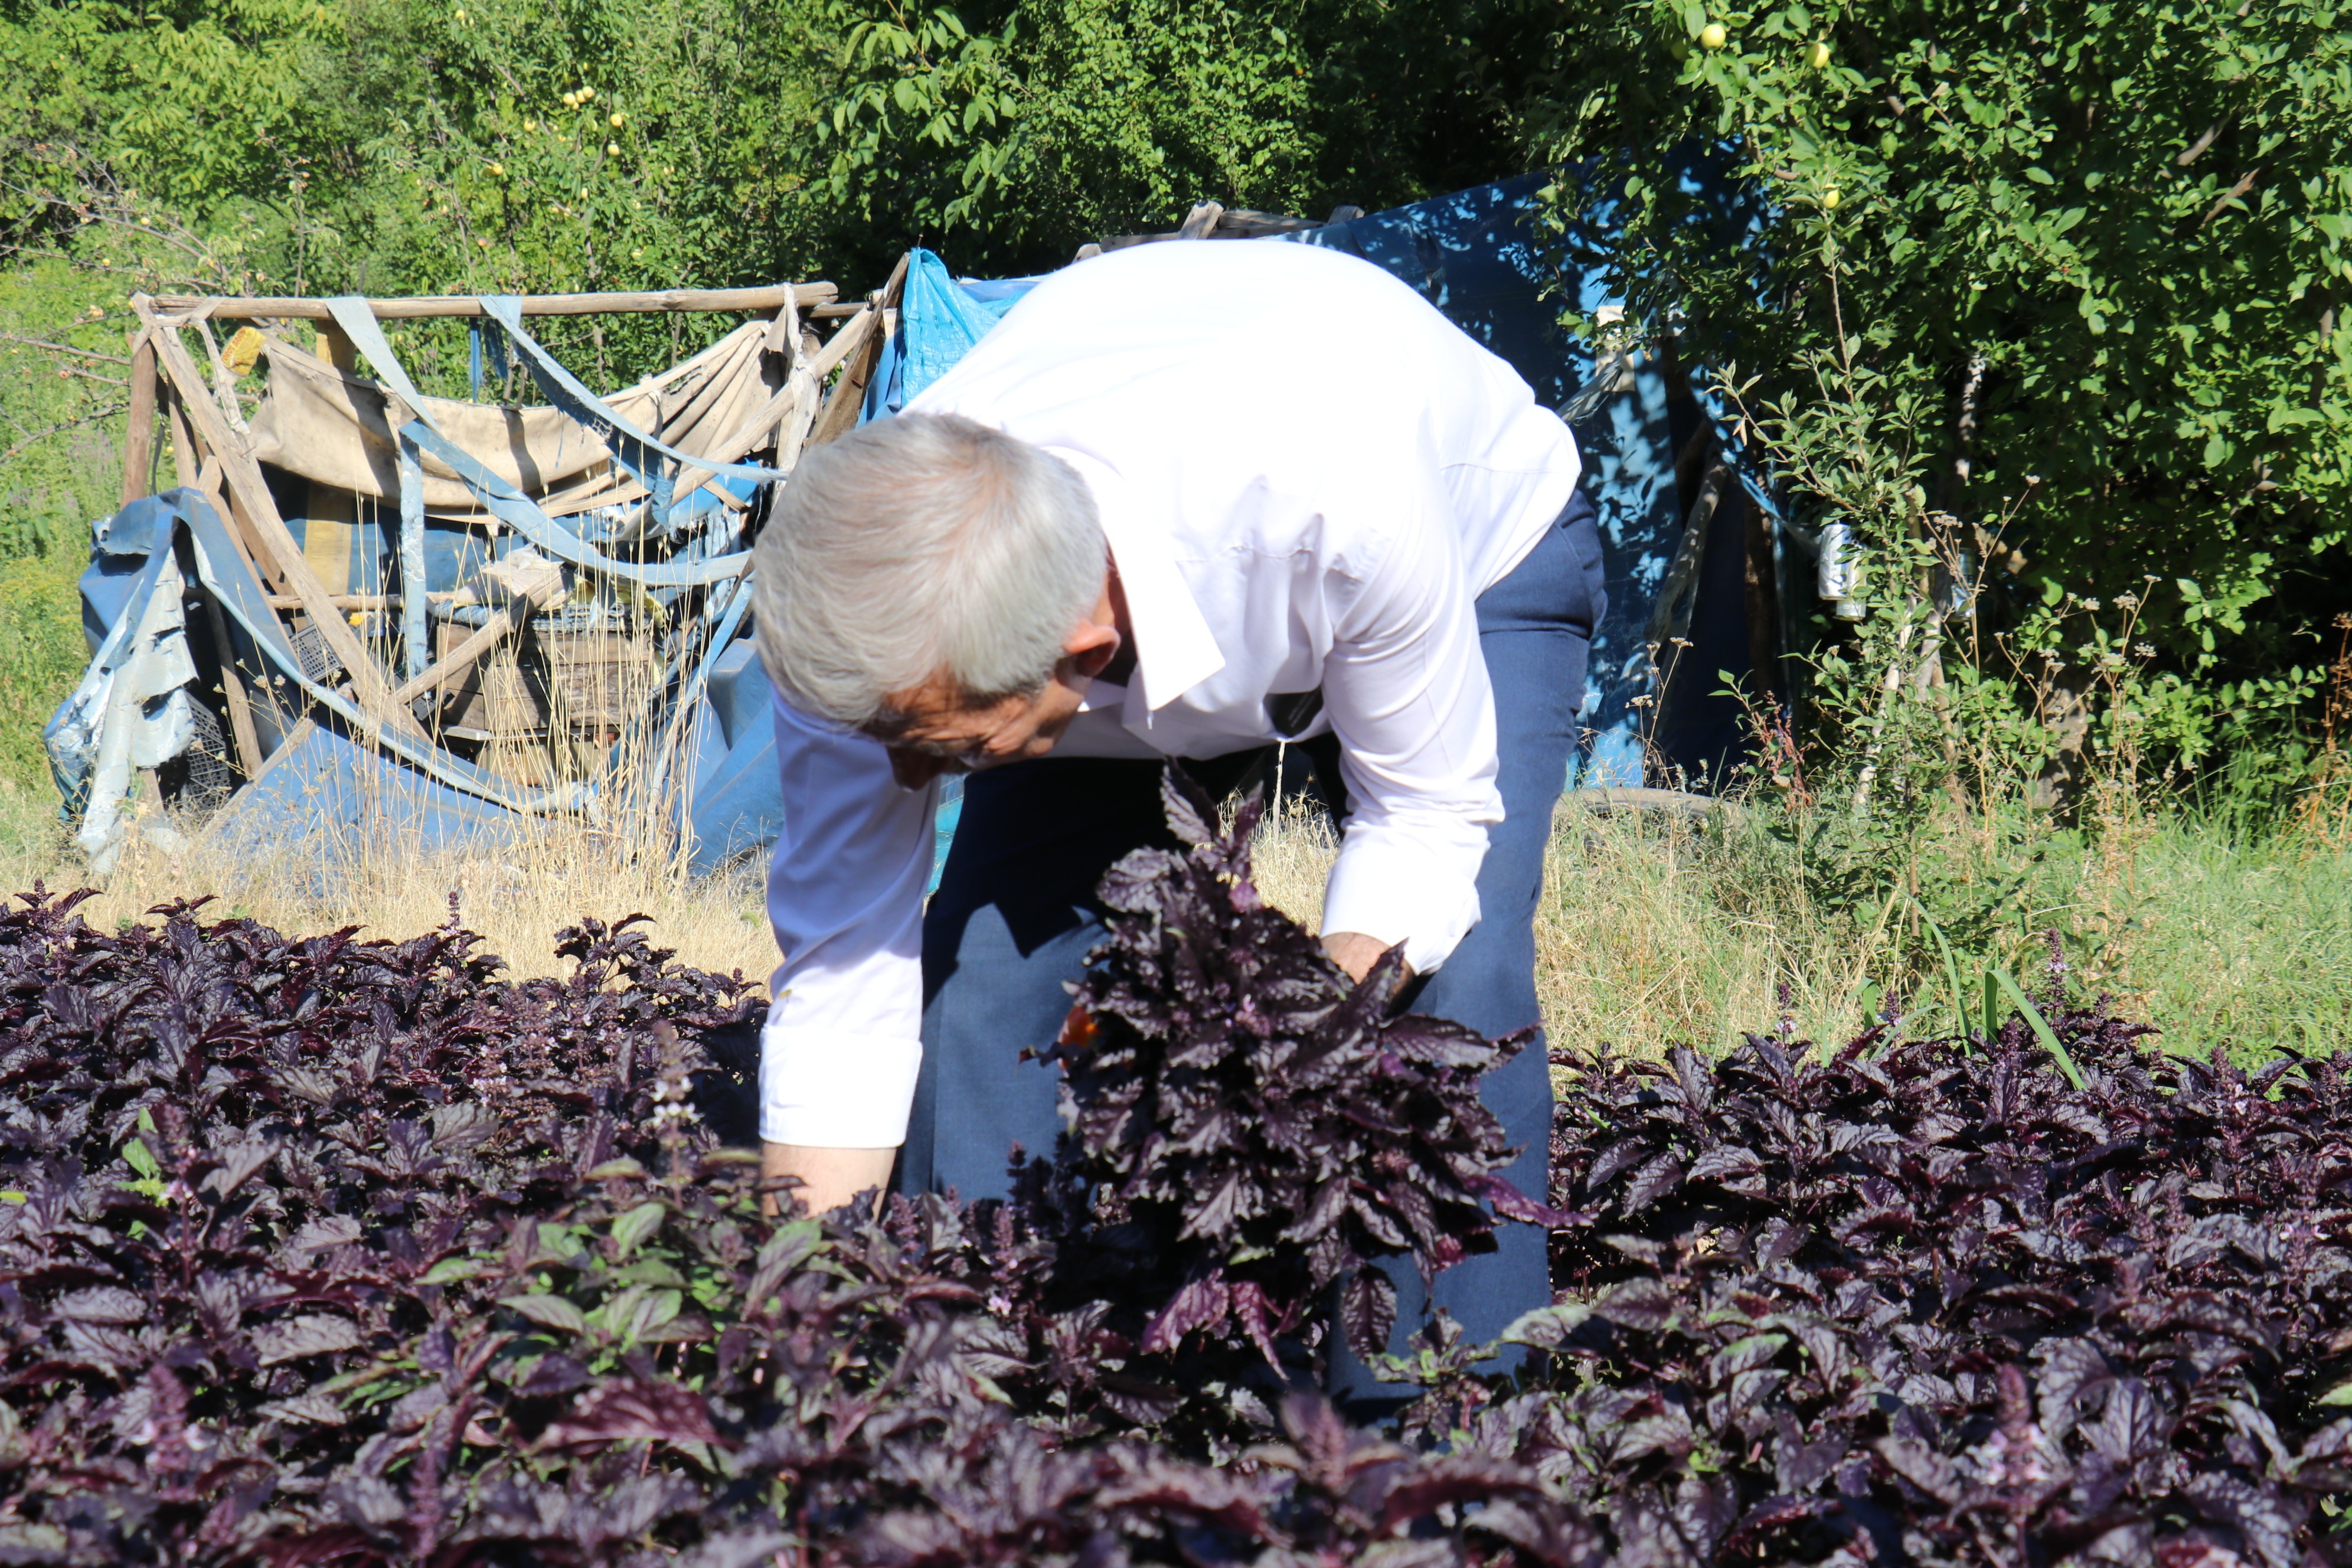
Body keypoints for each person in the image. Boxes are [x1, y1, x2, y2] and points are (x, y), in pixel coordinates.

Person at [750, 237, 1605, 1405]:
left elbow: (1426, 823)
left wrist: (1282, 1059)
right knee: (984, 981)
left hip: (1472, 543)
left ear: (1081, 659)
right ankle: (972, 1390)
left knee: (1458, 987)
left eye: (943, 745)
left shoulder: (1335, 493)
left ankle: (1447, 1430)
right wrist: (805, 1315)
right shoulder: (876, 610)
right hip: (1131, 569)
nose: (903, 769)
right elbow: (845, 970)